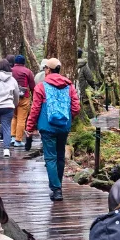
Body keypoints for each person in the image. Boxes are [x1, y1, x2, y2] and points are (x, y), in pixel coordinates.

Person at [25, 58, 80, 201]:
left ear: (48, 70)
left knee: (50, 157)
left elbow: (35, 109)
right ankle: (58, 185)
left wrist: (30, 127)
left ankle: (56, 190)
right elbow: (76, 107)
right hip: (63, 127)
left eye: (45, 69)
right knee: (60, 155)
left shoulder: (41, 87)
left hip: (47, 127)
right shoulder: (69, 86)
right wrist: (68, 118)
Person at [10, 55, 36, 147]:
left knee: (14, 117)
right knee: (21, 119)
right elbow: (32, 86)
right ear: (24, 62)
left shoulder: (10, 71)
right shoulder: (27, 71)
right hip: (23, 97)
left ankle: (12, 137)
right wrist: (34, 97)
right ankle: (18, 140)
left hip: (12, 97)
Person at [76, 48, 96, 117]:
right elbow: (89, 78)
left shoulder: (68, 63)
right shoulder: (84, 65)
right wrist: (93, 86)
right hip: (81, 89)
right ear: (81, 54)